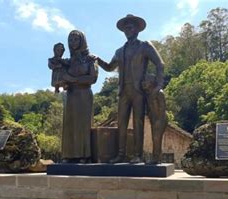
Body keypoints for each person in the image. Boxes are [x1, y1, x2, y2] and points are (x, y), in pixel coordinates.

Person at [95, 14, 165, 163]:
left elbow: (160, 64)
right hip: (123, 91)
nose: (128, 29)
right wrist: (97, 59)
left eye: (130, 27)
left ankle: (137, 155)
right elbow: (109, 67)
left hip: (138, 91)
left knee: (138, 122)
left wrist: (158, 85)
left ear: (137, 29)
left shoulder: (144, 46)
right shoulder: (119, 51)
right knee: (121, 122)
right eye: (125, 27)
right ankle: (121, 154)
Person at [60, 30, 98, 163]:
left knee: (83, 124)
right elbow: (57, 69)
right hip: (70, 95)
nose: (73, 42)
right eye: (70, 40)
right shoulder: (68, 61)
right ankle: (69, 155)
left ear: (82, 41)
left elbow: (92, 78)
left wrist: (73, 79)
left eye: (76, 39)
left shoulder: (90, 59)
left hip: (84, 94)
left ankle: (84, 155)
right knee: (69, 124)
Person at [142, 74, 168, 164]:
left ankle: (156, 158)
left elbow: (162, 108)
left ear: (151, 82)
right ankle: (157, 157)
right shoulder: (148, 94)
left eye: (146, 81)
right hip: (154, 118)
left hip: (160, 118)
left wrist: (158, 120)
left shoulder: (159, 93)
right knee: (155, 138)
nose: (144, 83)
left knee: (157, 138)